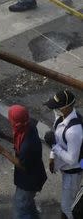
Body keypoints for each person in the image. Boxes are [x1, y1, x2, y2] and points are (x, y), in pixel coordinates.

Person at [0, 105, 47, 219]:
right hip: (35, 175)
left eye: (10, 119)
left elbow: (22, 165)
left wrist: (2, 151)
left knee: (20, 209)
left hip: (29, 182)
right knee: (28, 205)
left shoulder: (28, 145)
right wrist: (3, 135)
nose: (9, 121)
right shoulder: (28, 126)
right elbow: (18, 143)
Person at [43, 90, 82, 219]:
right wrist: (52, 157)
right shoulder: (61, 117)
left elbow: (72, 159)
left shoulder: (73, 131)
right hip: (65, 168)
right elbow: (57, 137)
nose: (55, 110)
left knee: (67, 207)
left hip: (73, 173)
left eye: (57, 107)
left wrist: (54, 147)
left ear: (68, 107)